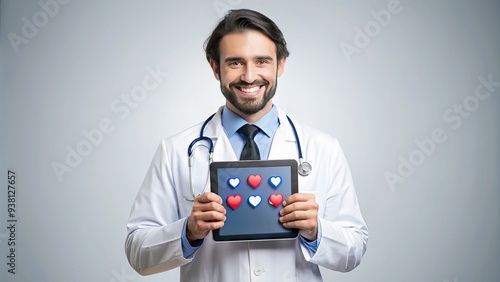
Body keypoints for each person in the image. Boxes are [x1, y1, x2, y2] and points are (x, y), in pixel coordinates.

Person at [125, 9, 368, 281]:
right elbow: (138, 253)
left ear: (281, 65)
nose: (249, 76)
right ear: (215, 68)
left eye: (262, 61)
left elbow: (354, 249)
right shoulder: (176, 150)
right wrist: (188, 231)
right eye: (235, 63)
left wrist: (316, 231)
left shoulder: (323, 148)